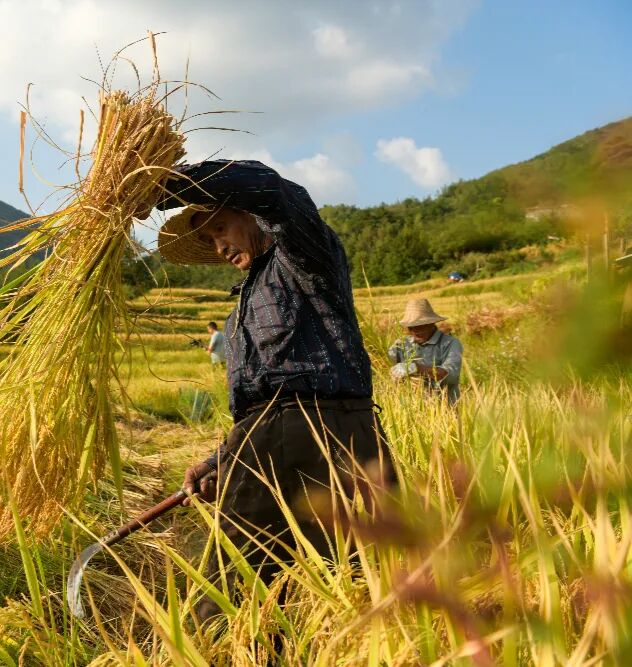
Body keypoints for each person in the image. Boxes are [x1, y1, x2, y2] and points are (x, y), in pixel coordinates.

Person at [148, 159, 394, 623]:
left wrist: (169, 183)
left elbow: (279, 194)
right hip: (271, 439)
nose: (220, 246)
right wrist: (220, 461)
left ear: (251, 215)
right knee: (279, 585)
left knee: (353, 577)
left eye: (223, 228)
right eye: (209, 239)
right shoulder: (240, 307)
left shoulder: (303, 259)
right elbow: (257, 404)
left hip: (328, 430)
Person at [387, 299, 463, 404]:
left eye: (420, 326)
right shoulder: (401, 345)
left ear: (431, 324)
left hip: (444, 408)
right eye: (411, 328)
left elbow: (451, 375)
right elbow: (382, 364)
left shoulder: (450, 343)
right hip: (410, 408)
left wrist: (416, 368)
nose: (416, 331)